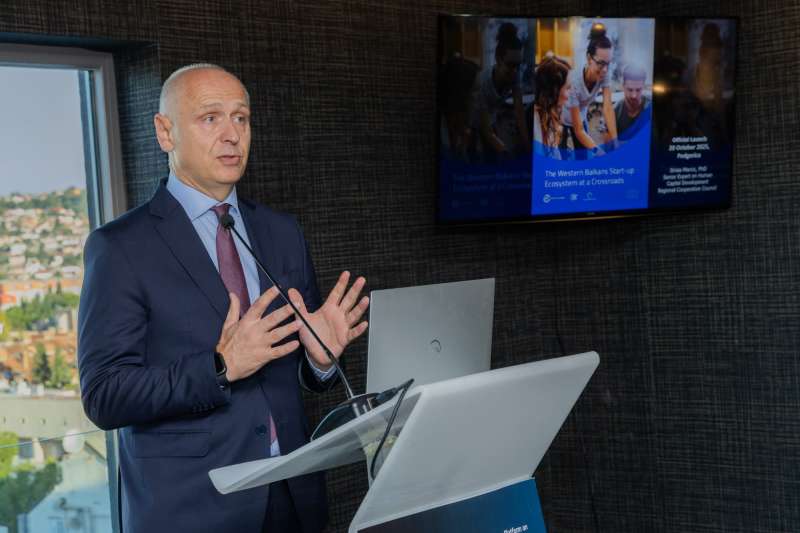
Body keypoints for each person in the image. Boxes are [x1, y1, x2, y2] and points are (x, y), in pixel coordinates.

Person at [77, 64, 369, 533]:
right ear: (165, 132)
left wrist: (320, 363)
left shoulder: (281, 231)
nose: (232, 134)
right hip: (193, 509)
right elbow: (105, 395)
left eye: (241, 118)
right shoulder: (119, 248)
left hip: (292, 496)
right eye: (210, 118)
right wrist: (220, 366)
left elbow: (299, 375)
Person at [474, 22, 531, 160]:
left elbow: (519, 112)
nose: (515, 71)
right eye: (510, 65)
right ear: (498, 59)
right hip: (473, 122)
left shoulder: (514, 74)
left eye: (518, 65)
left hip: (492, 119)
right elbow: (486, 129)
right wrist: (505, 152)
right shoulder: (483, 83)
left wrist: (527, 145)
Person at [561, 23, 618, 156]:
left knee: (582, 156)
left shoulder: (605, 73)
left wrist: (615, 141)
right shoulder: (574, 82)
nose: (605, 70)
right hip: (562, 118)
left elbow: (608, 108)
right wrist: (598, 151)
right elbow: (578, 130)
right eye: (601, 63)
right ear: (588, 58)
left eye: (608, 63)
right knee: (561, 158)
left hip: (580, 117)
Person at [532, 56, 572, 159]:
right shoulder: (535, 120)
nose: (571, 94)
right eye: (568, 88)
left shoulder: (549, 114)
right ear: (554, 90)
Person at [613, 63, 650, 140]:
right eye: (630, 90)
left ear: (643, 86)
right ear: (623, 87)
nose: (634, 96)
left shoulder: (650, 109)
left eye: (638, 90)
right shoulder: (614, 111)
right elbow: (609, 144)